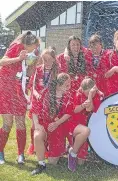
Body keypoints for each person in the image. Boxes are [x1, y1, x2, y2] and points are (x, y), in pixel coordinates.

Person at [0, 31, 40, 164]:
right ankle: (0, 152)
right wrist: (18, 58)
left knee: (21, 121)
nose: (35, 49)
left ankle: (20, 154)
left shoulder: (32, 52)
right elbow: (2, 61)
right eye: (33, 46)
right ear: (26, 44)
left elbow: (28, 73)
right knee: (7, 123)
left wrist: (32, 65)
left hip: (19, 90)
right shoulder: (16, 46)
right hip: (6, 88)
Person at [31, 73, 72, 175]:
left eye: (69, 84)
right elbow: (35, 109)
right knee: (37, 135)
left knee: (52, 162)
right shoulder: (46, 93)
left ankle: (56, 149)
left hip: (59, 126)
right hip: (44, 123)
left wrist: (56, 123)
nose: (69, 87)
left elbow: (68, 113)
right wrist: (37, 124)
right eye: (67, 85)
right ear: (58, 84)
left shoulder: (68, 95)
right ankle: (41, 164)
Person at [27, 47, 59, 155]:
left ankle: (46, 146)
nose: (47, 62)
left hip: (49, 102)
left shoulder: (57, 71)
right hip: (37, 101)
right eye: (45, 59)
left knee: (47, 124)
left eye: (49, 59)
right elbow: (32, 85)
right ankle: (34, 144)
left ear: (54, 59)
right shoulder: (38, 69)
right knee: (34, 125)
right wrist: (35, 93)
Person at [66, 77, 101, 172]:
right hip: (73, 124)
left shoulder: (95, 96)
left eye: (92, 91)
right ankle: (73, 153)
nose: (91, 94)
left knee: (81, 162)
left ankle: (73, 148)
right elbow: (75, 110)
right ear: (82, 89)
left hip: (85, 124)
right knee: (86, 131)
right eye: (87, 92)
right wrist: (82, 105)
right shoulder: (78, 94)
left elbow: (90, 109)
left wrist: (90, 95)